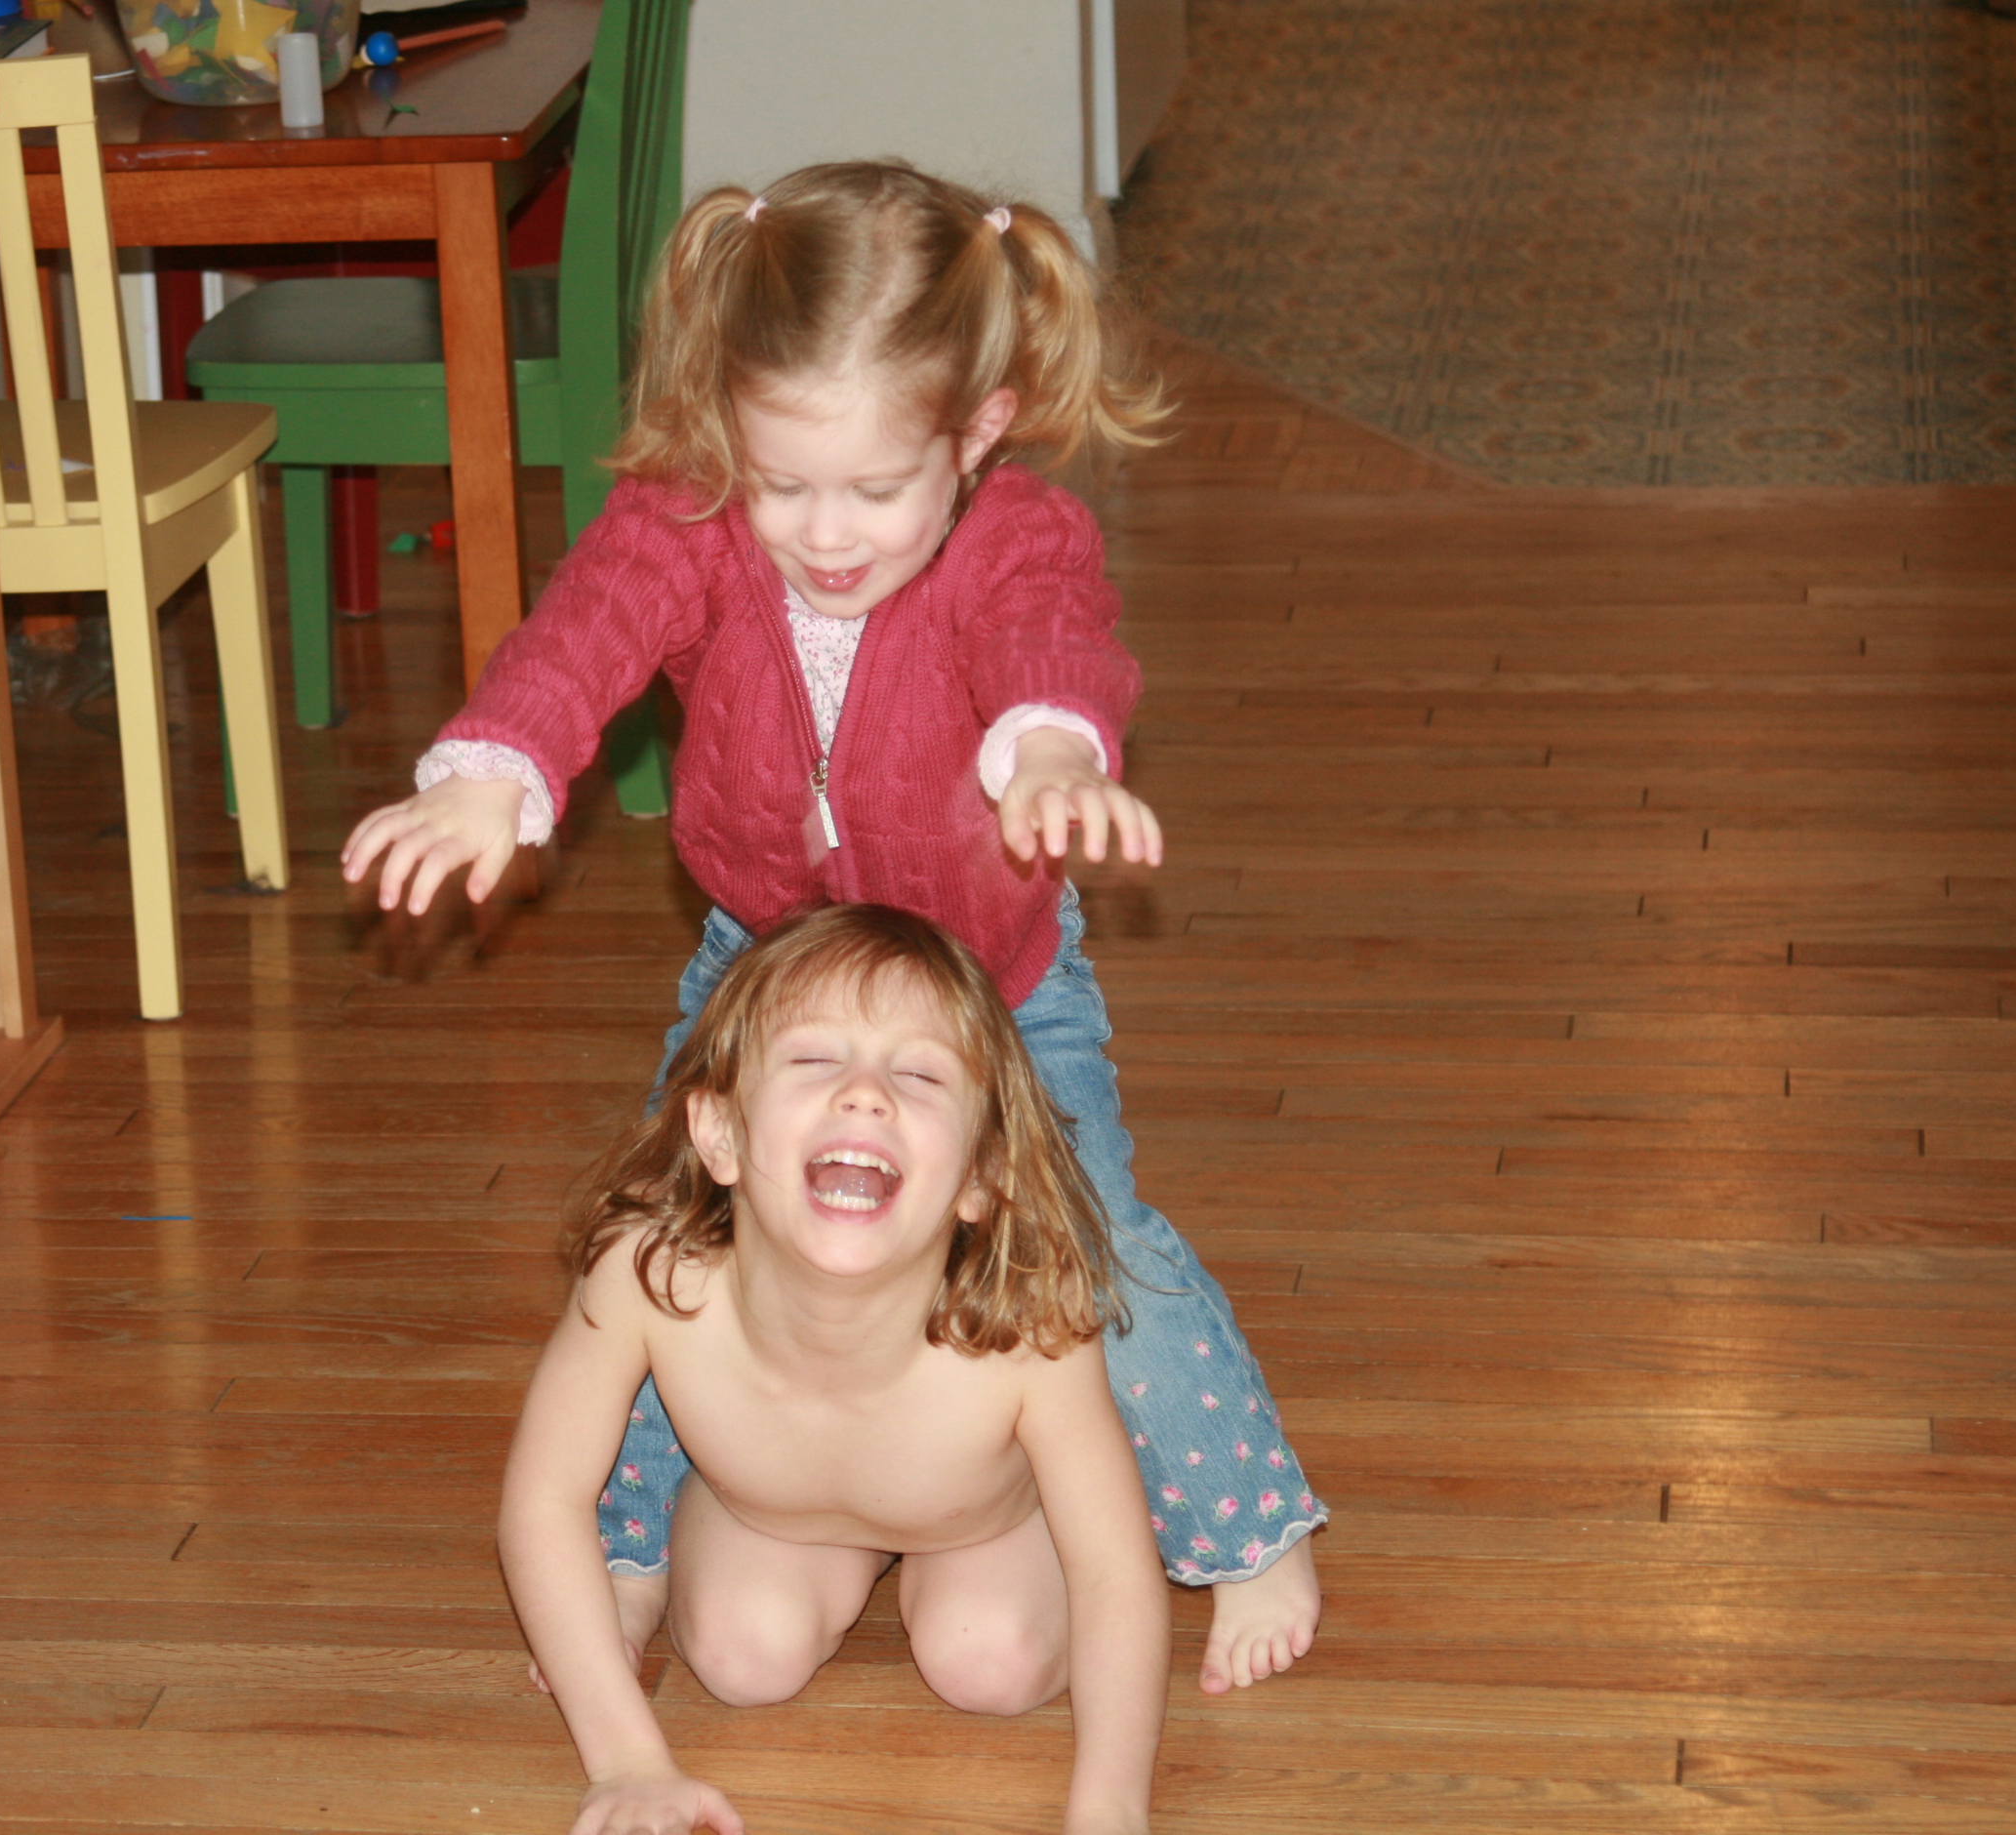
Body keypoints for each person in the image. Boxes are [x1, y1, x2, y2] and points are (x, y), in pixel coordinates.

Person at [343, 160, 1322, 1695]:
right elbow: (581, 635)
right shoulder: (687, 519)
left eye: (875, 490)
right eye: (781, 482)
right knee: (674, 1237)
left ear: (976, 432)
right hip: (765, 966)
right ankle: (627, 1547)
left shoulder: (1017, 534)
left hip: (994, 986)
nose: (824, 532)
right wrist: (493, 771)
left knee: (1094, 1247)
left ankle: (1246, 1527)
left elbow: (1054, 643)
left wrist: (1053, 752)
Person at [502, 905, 1164, 1835]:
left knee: (992, 1660)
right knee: (741, 1657)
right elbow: (543, 1499)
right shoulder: (649, 1275)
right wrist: (625, 1762)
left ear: (981, 1175)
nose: (865, 1094)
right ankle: (682, 1578)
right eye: (814, 1059)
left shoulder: (1030, 1321)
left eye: (921, 1073)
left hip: (982, 1525)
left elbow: (1114, 1572)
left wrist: (1110, 1812)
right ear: (719, 1133)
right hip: (773, 1517)